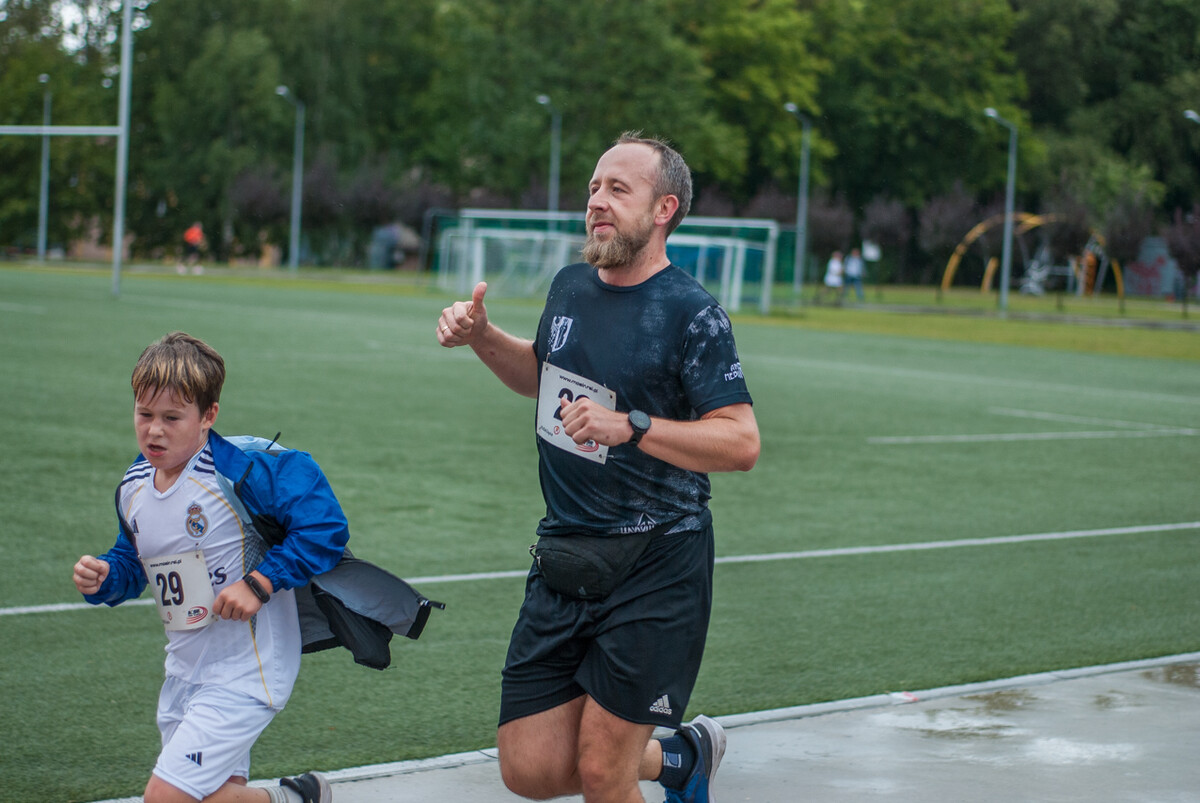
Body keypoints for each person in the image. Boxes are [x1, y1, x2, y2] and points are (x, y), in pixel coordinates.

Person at [436, 132, 760, 803]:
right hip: (566, 553)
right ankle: (680, 758)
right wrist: (482, 337)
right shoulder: (570, 286)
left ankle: (655, 762)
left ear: (664, 209)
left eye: (618, 189)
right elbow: (541, 378)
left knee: (603, 773)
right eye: (593, 188)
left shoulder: (692, 312)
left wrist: (632, 426)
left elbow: (741, 441)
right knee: (529, 770)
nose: (596, 202)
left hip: (658, 562)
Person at [72, 332, 342, 803]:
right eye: (145, 414)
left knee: (165, 797)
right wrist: (105, 576)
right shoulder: (134, 485)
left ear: (208, 415)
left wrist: (259, 583)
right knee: (210, 797)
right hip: (183, 669)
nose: (154, 431)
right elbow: (134, 561)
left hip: (246, 670)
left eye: (172, 418)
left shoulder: (241, 470)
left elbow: (325, 528)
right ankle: (299, 798)